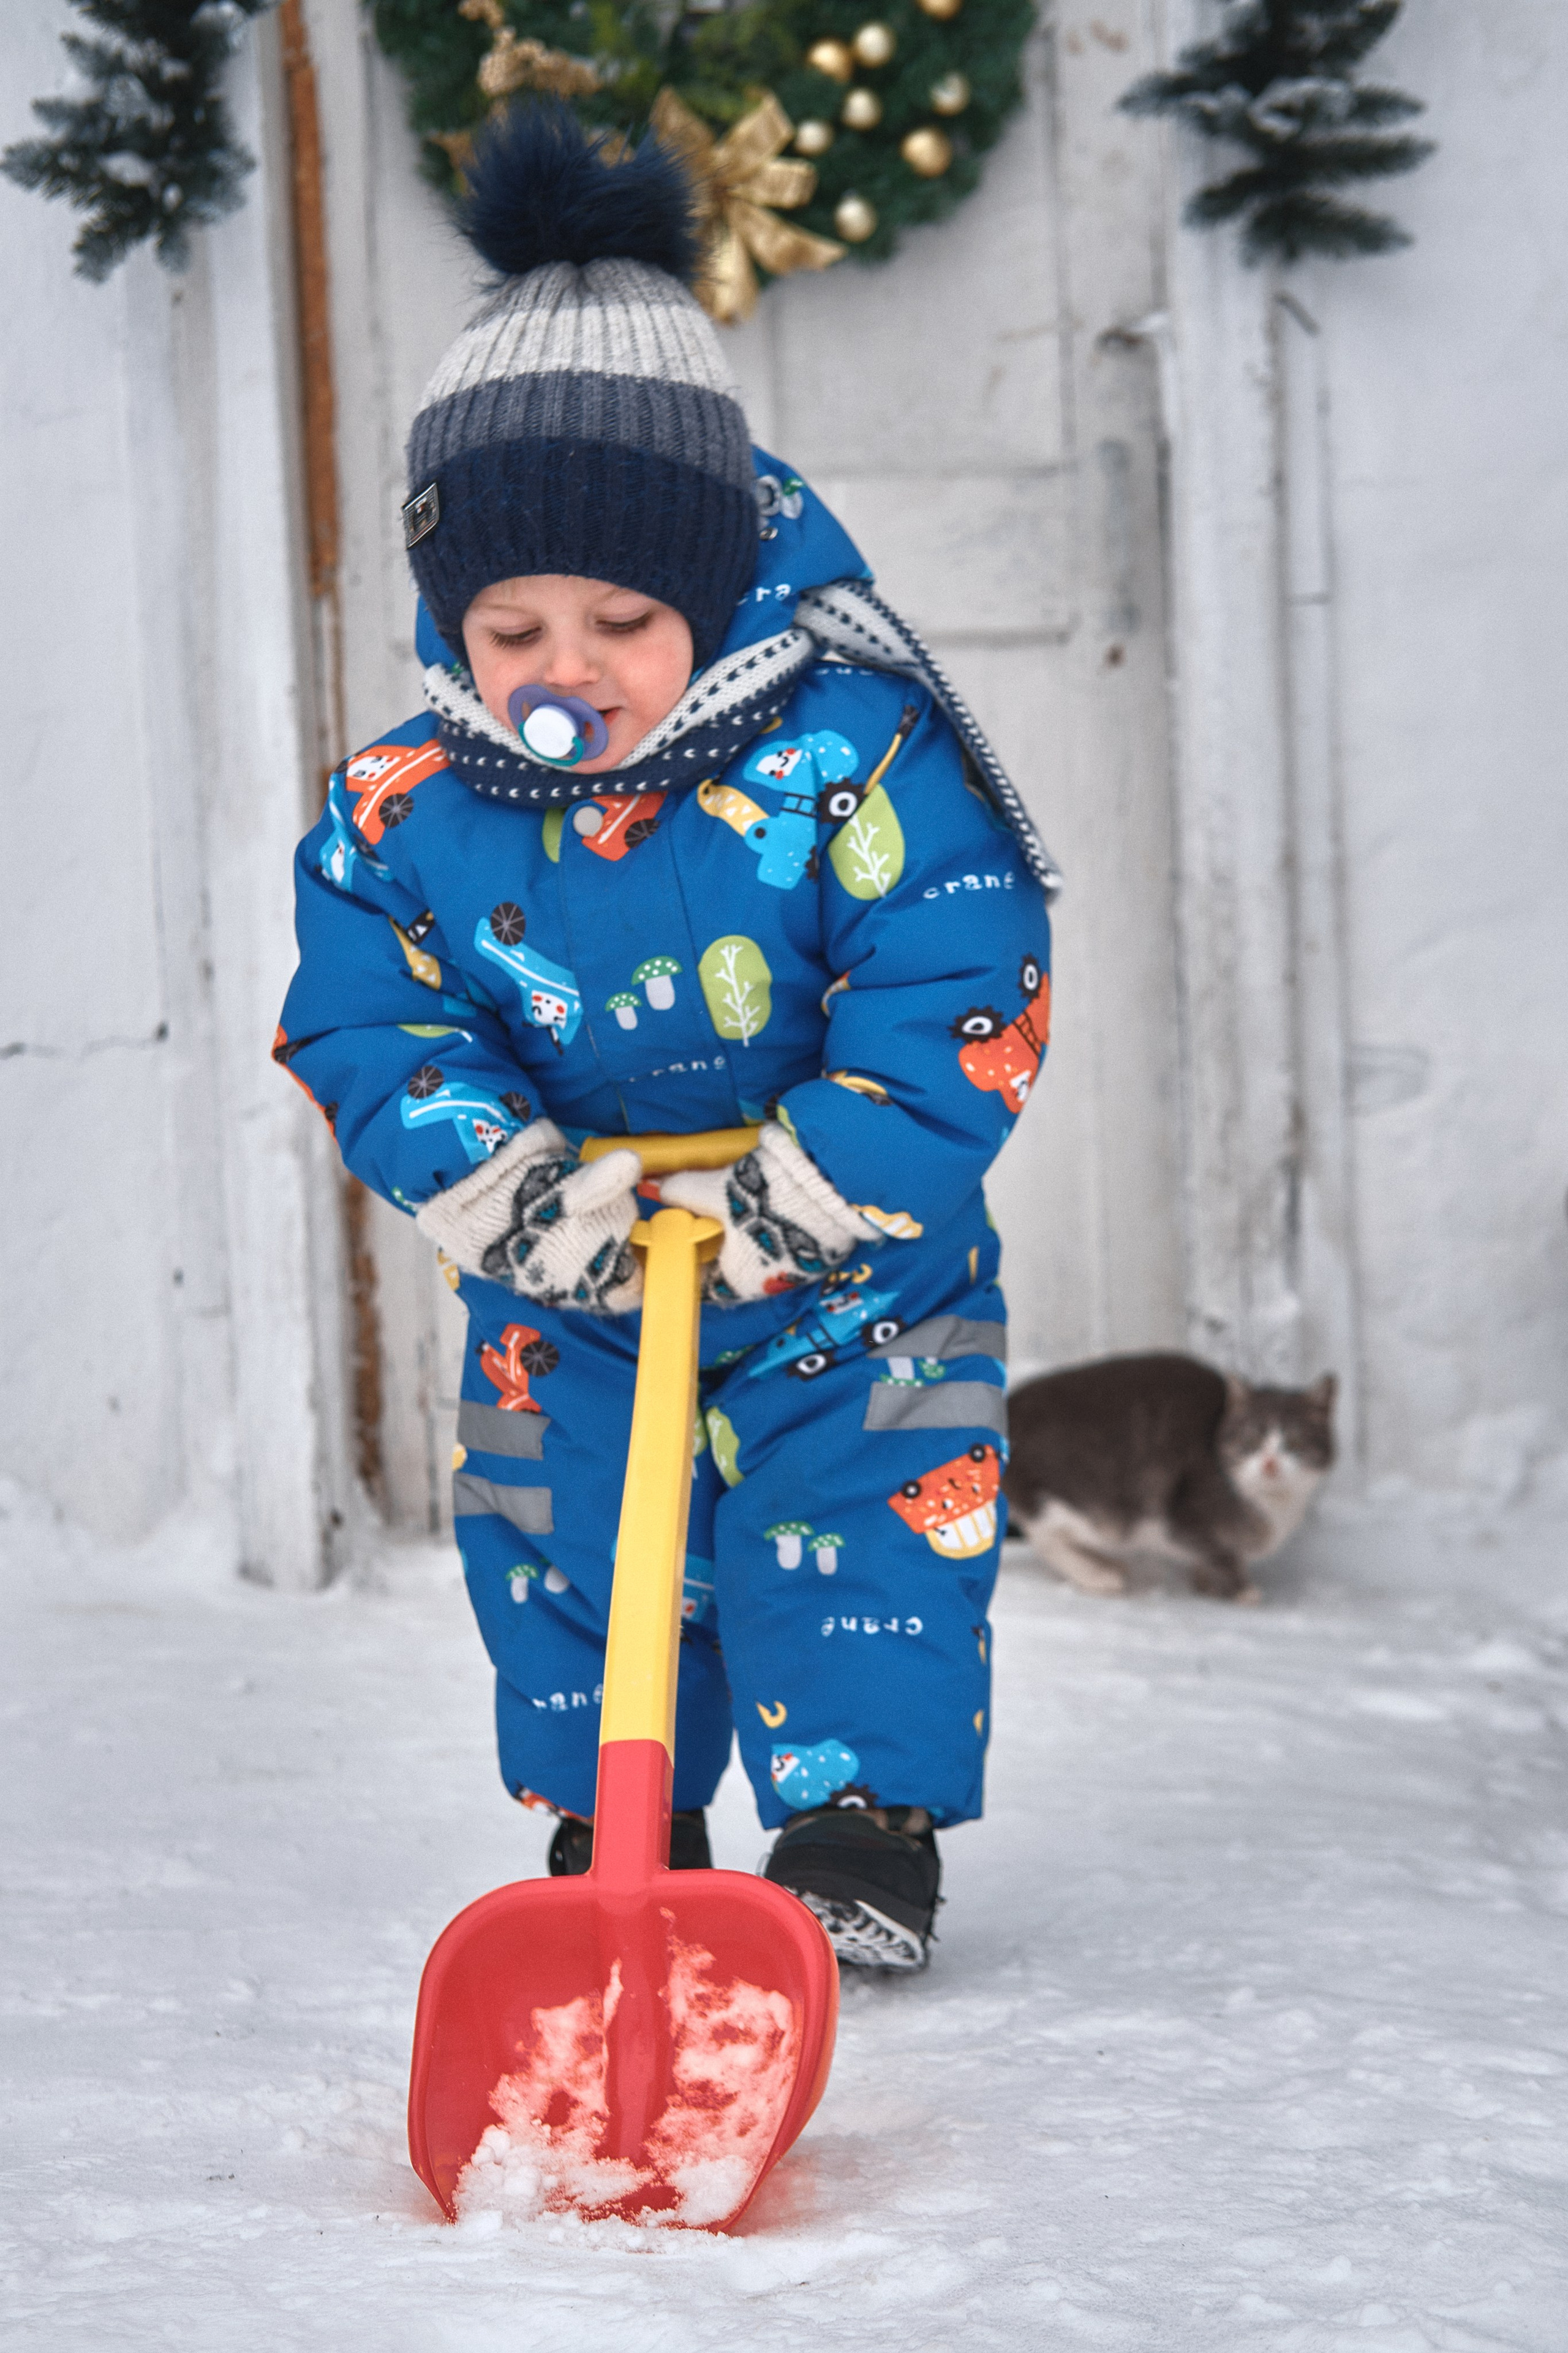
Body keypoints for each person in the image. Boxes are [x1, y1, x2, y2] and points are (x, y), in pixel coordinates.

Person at [276, 102, 1057, 1972]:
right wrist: (518, 1198)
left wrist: (807, 1193)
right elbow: (371, 1014)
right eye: (509, 625)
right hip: (578, 1258)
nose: (565, 671)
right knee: (565, 1532)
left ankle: (857, 1825)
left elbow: (960, 971)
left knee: (867, 1506)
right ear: (448, 616)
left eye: (622, 619)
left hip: (848, 1259)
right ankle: (613, 1822)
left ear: (703, 587)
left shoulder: (853, 744)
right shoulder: (406, 811)